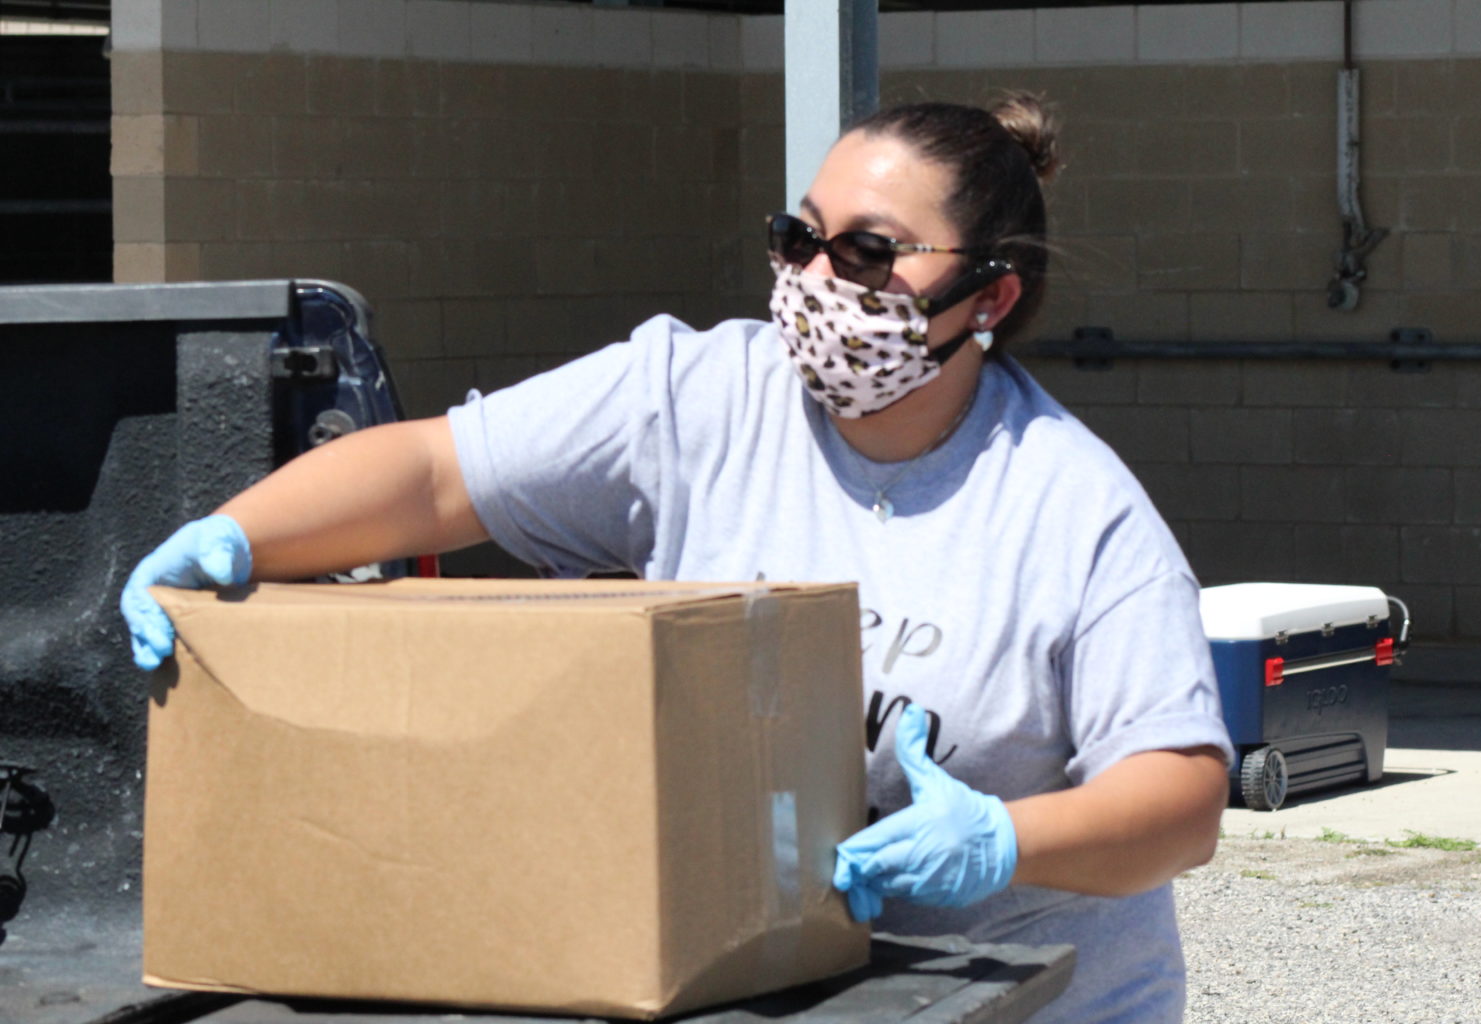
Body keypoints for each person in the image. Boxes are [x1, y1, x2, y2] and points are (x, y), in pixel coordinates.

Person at [121, 94, 1234, 1023]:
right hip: (772, 982)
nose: (814, 280)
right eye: (801, 238)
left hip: (1016, 997)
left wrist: (1003, 840)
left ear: (988, 296)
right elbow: (435, 475)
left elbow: (1180, 799)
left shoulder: (1073, 507)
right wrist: (238, 534)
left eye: (868, 253)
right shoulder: (698, 397)